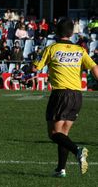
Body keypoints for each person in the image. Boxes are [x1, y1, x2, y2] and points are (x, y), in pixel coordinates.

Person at [33, 18, 98, 177]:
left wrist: (38, 58)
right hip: (77, 96)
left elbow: (36, 67)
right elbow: (95, 67)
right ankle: (60, 169)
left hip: (61, 94)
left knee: (54, 134)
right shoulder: (80, 50)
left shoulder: (52, 48)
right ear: (71, 33)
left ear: (56, 31)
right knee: (63, 134)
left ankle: (78, 150)